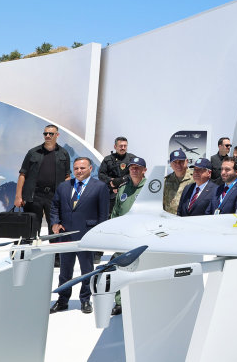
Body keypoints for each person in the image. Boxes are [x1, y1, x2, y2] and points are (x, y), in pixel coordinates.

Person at [48, 157, 110, 314]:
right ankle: (62, 300)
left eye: (82, 168)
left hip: (87, 236)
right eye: (76, 168)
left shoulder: (100, 187)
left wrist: (99, 235)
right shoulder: (63, 186)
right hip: (66, 236)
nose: (79, 171)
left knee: (87, 271)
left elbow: (103, 214)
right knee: (64, 272)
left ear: (90, 169)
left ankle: (85, 300)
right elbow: (54, 206)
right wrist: (55, 223)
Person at [15, 124, 72, 235]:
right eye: (45, 133)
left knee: (55, 228)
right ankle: (31, 246)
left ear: (57, 135)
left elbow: (67, 176)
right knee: (31, 229)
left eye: (51, 134)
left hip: (55, 196)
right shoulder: (33, 152)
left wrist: (66, 196)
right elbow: (22, 174)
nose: (48, 136)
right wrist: (18, 196)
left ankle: (55, 247)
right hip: (34, 195)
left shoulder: (64, 153)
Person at [109, 156, 148, 315]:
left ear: (144, 170)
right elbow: (116, 212)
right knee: (121, 268)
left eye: (138, 167)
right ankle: (120, 302)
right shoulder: (123, 189)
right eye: (132, 167)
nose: (134, 170)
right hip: (124, 237)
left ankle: (141, 300)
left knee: (142, 269)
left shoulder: (150, 187)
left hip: (143, 237)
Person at [98, 136, 135, 213]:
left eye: (125, 146)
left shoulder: (132, 158)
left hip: (128, 192)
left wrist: (122, 180)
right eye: (121, 146)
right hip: (111, 194)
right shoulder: (107, 159)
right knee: (111, 215)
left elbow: (136, 174)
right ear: (115, 147)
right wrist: (111, 181)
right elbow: (101, 175)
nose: (123, 148)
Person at [162, 149, 194, 214]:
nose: (178, 165)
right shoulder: (166, 181)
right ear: (170, 164)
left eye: (181, 161)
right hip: (170, 217)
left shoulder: (195, 178)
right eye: (175, 162)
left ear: (186, 161)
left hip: (188, 218)